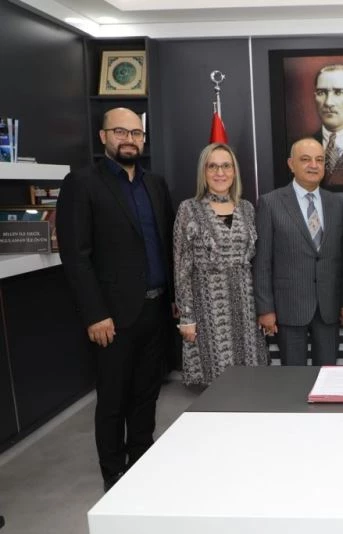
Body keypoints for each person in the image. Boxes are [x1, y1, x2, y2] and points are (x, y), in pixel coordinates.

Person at [57, 107, 174, 492]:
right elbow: (76, 256)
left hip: (155, 308)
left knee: (147, 392)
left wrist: (174, 299)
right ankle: (114, 472)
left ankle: (141, 457)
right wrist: (95, 314)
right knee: (113, 398)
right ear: (103, 136)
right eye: (121, 132)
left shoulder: (155, 184)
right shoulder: (82, 184)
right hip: (112, 317)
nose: (130, 139)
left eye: (136, 133)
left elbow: (166, 246)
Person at [173, 143, 267, 386]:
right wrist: (187, 317)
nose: (220, 173)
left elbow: (257, 262)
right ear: (203, 172)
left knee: (250, 383)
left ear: (234, 171)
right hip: (208, 310)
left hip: (246, 308)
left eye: (226, 166)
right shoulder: (189, 209)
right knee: (218, 386)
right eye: (212, 166)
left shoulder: (247, 208)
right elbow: (182, 268)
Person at [254, 138, 343, 365]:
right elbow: (262, 262)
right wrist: (265, 309)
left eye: (319, 160)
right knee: (293, 377)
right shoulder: (270, 203)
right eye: (305, 159)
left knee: (327, 373)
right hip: (289, 308)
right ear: (291, 164)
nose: (313, 165)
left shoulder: (338, 204)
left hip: (328, 308)